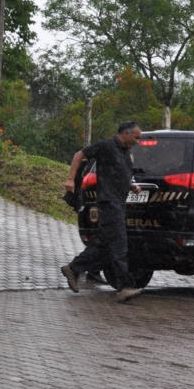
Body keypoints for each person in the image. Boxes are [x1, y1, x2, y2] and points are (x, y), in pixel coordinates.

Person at [60, 121, 143, 303]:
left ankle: (74, 268)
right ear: (126, 133)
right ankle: (125, 287)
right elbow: (79, 154)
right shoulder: (106, 146)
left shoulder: (126, 154)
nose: (138, 141)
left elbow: (123, 174)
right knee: (120, 245)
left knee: (104, 247)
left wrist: (132, 185)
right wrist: (70, 180)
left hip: (119, 204)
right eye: (136, 137)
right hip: (108, 203)